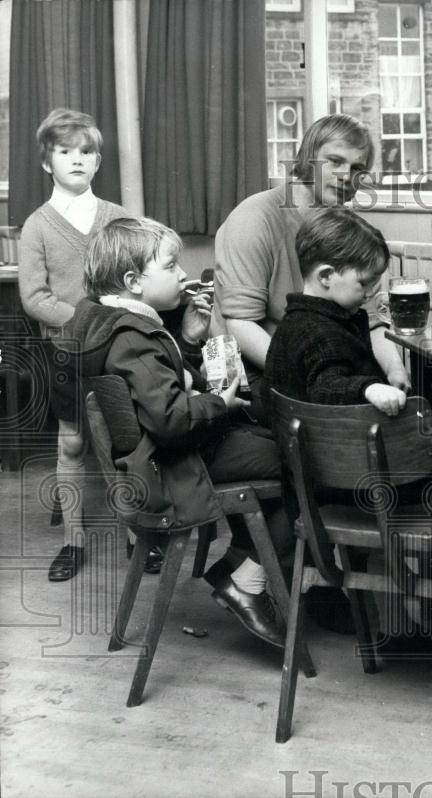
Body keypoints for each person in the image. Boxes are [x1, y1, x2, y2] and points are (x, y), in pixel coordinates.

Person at [64, 217, 292, 648]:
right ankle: (246, 576)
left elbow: (154, 391)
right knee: (297, 459)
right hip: (172, 468)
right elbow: (169, 419)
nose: (183, 274)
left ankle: (242, 564)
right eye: (171, 266)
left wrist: (187, 343)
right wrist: (219, 403)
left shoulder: (108, 321)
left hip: (158, 462)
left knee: (267, 443)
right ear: (133, 280)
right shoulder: (133, 337)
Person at [263, 206, 432, 639]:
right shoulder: (319, 334)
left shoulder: (299, 324)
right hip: (356, 484)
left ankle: (404, 585)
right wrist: (367, 389)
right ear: (326, 275)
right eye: (365, 283)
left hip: (316, 482)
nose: (371, 293)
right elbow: (329, 386)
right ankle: (427, 595)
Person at [213, 113, 410, 412]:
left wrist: (395, 371)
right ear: (307, 159)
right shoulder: (253, 218)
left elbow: (371, 321)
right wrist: (303, 373)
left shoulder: (350, 230)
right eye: (334, 161)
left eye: (357, 168)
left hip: (329, 369)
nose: (347, 176)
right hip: (260, 372)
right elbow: (241, 323)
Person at [17, 108, 130, 582]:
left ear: (98, 161)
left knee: (128, 441)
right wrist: (89, 321)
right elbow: (35, 298)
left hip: (119, 350)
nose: (76, 160)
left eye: (85, 152)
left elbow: (136, 280)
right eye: (65, 152)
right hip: (66, 349)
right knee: (74, 443)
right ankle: (73, 541)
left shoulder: (119, 219)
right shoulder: (37, 226)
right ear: (48, 163)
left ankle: (138, 536)